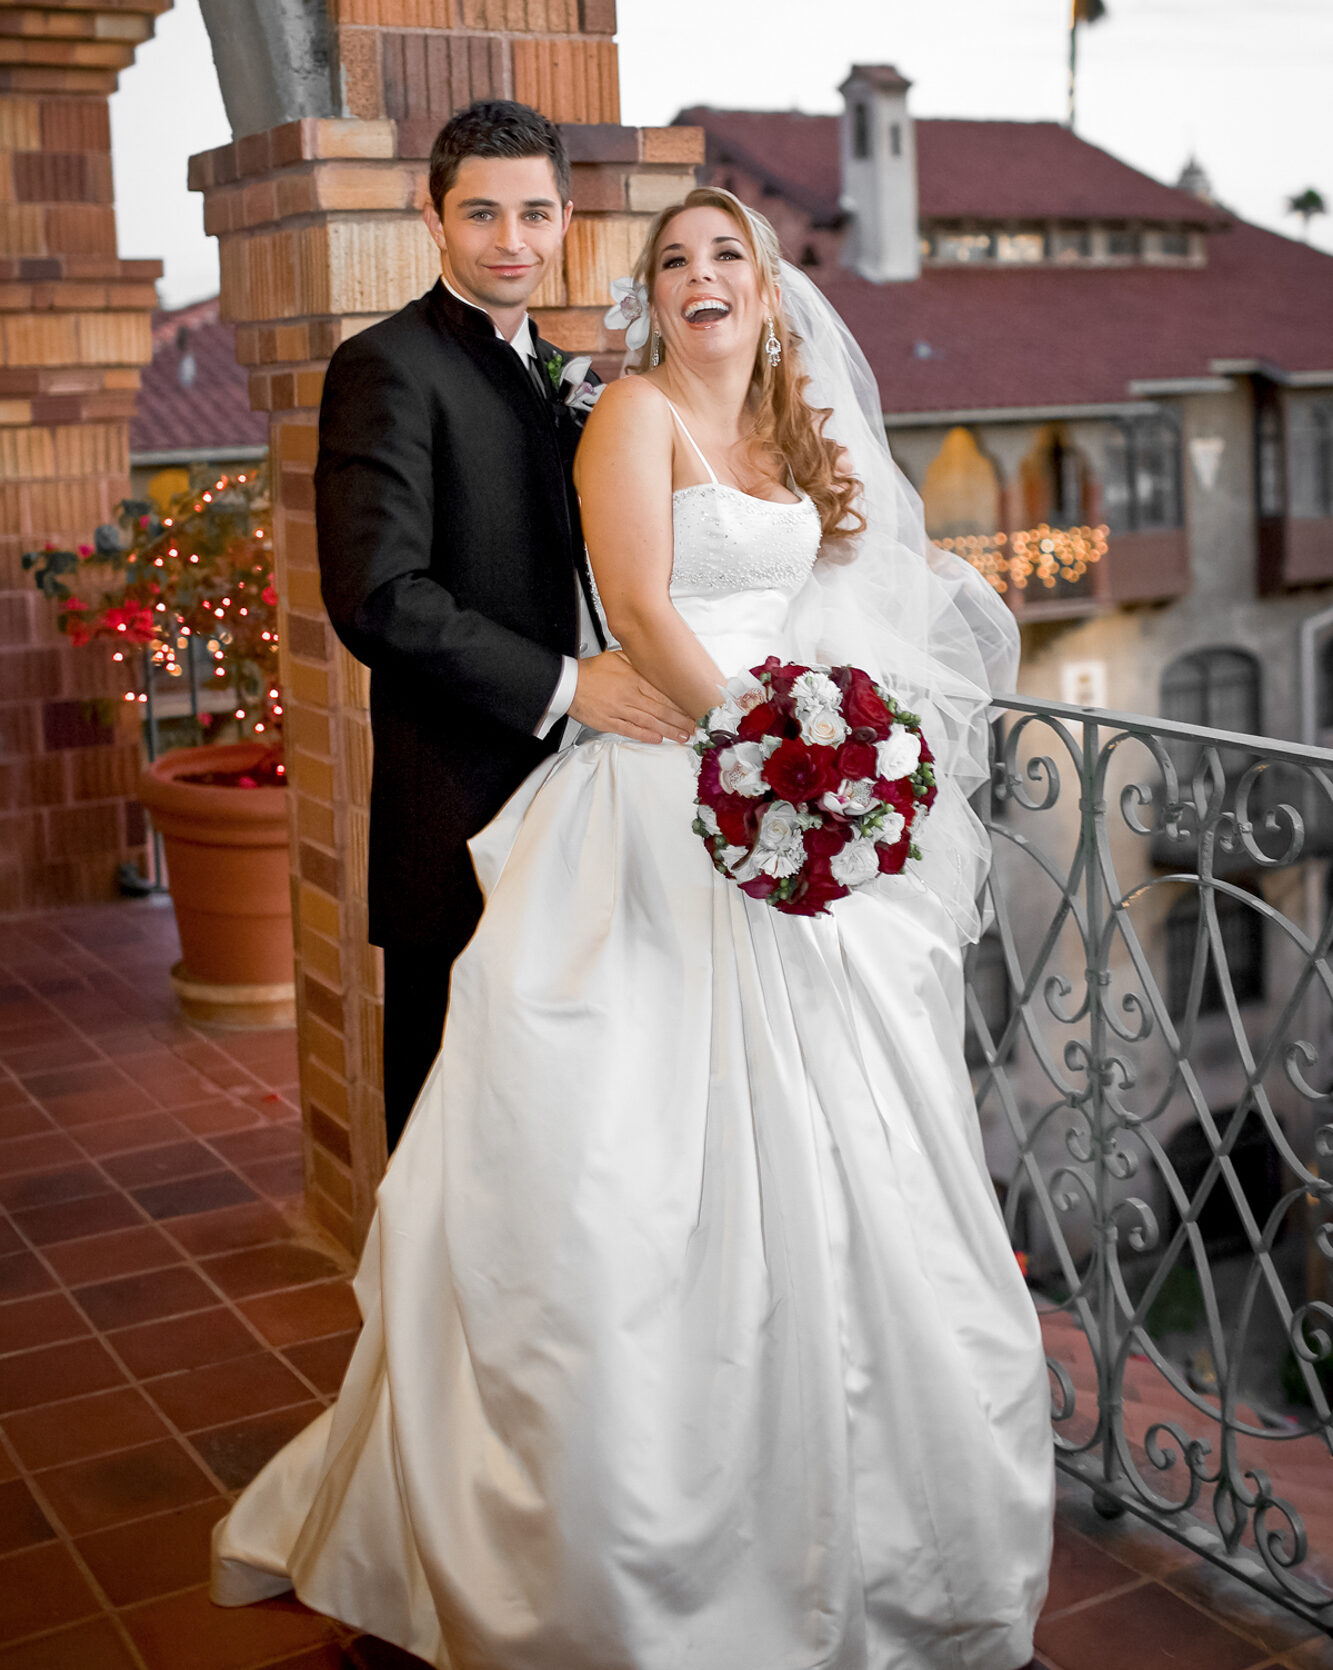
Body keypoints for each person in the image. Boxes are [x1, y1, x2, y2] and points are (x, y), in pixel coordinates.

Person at [213, 186, 1055, 1669]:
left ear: (771, 289)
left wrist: (850, 749)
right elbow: (649, 612)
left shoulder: (792, 439)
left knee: (849, 1159)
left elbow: (834, 596)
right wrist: (776, 750)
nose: (700, 274)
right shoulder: (635, 420)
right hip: (670, 794)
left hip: (782, 799)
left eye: (728, 252)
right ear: (652, 298)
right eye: (674, 260)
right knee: (632, 1174)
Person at [314, 99, 692, 1154]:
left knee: (561, 1123)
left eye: (533, 212)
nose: (511, 240)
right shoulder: (384, 365)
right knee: (453, 1125)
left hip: (591, 801)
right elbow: (379, 595)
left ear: (566, 217)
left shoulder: (573, 375)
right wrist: (575, 686)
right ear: (431, 220)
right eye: (482, 213)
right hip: (460, 807)